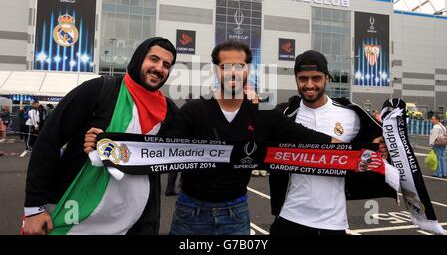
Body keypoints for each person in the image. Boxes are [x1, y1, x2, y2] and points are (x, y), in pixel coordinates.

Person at [83, 41, 341, 235]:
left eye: (239, 67)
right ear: (215, 70)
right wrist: (109, 143)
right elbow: (156, 146)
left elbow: (302, 136)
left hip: (237, 215)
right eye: (225, 67)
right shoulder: (194, 110)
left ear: (247, 71)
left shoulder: (263, 112)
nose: (232, 73)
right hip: (190, 214)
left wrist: (350, 150)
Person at [23, 37, 178, 235]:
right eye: (154, 59)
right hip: (81, 211)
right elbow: (48, 141)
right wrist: (34, 208)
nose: (159, 68)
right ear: (139, 58)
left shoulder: (169, 110)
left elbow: (180, 149)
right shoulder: (98, 90)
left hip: (134, 218)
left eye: (166, 65)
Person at [269, 50, 395, 235]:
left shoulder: (351, 114)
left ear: (327, 78)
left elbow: (373, 149)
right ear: (296, 79)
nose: (309, 85)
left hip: (334, 223)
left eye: (316, 78)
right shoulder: (284, 115)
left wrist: (380, 148)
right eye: (303, 78)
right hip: (289, 217)